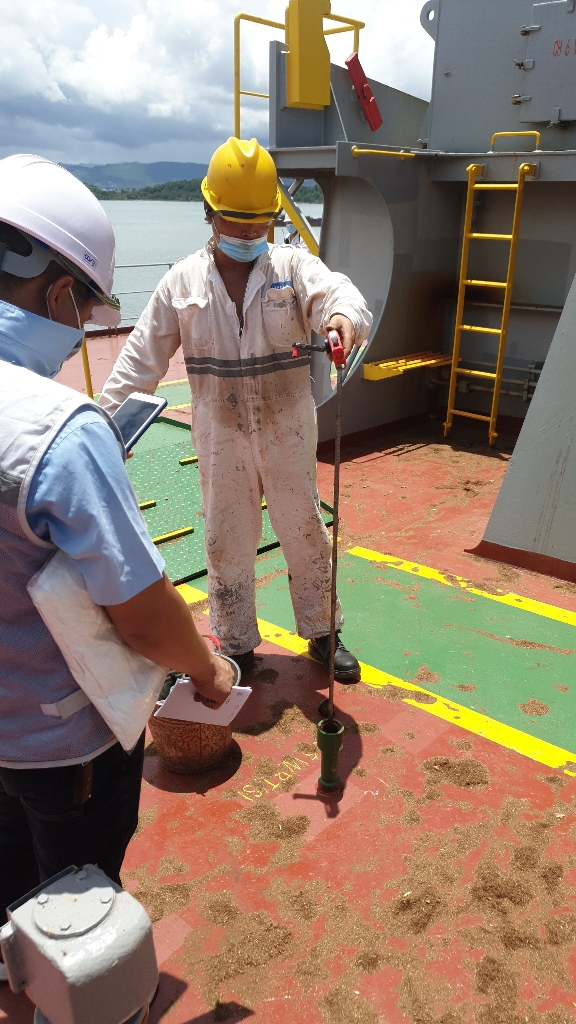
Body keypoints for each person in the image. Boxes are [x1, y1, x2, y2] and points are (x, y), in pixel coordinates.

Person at [0, 154, 234, 969]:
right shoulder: (58, 430)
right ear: (61, 295)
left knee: (6, 877)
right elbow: (141, 615)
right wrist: (206, 673)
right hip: (59, 741)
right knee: (76, 906)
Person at [100, 137, 372, 682]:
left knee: (305, 530)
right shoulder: (181, 282)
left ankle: (323, 632)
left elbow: (338, 294)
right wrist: (101, 427)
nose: (249, 234)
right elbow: (138, 362)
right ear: (209, 211)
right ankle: (237, 642)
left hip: (288, 428)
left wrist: (342, 319)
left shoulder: (292, 267)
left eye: (259, 223)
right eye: (237, 222)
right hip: (219, 433)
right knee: (226, 539)